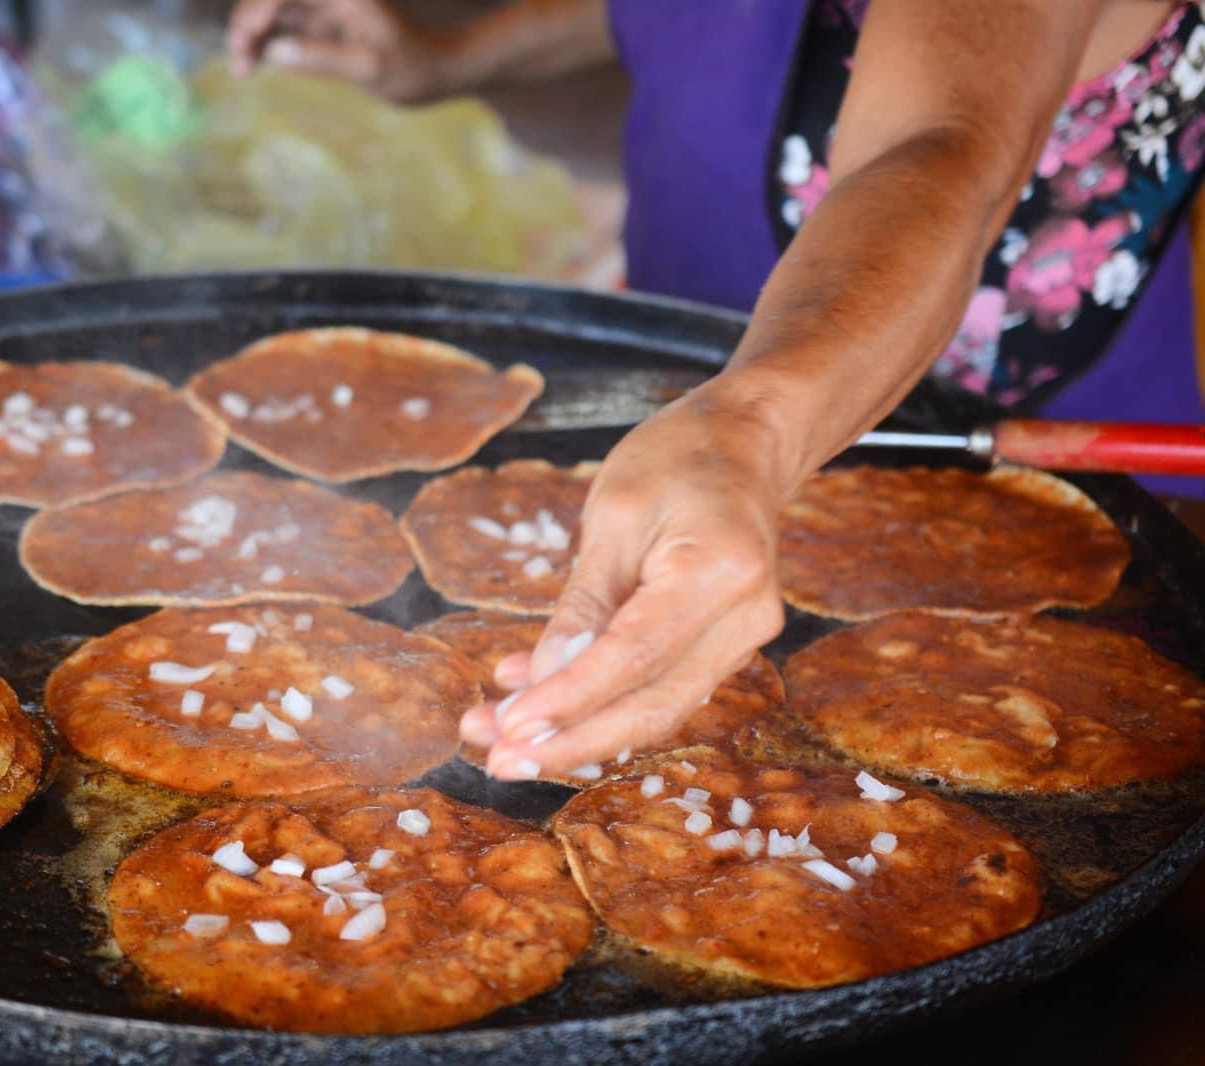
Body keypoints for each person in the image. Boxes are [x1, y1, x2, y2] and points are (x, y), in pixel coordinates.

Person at [227, 0, 1205, 780]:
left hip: (1036, 515)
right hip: (702, 412)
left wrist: (749, 420)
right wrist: (453, 55)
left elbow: (938, 143)